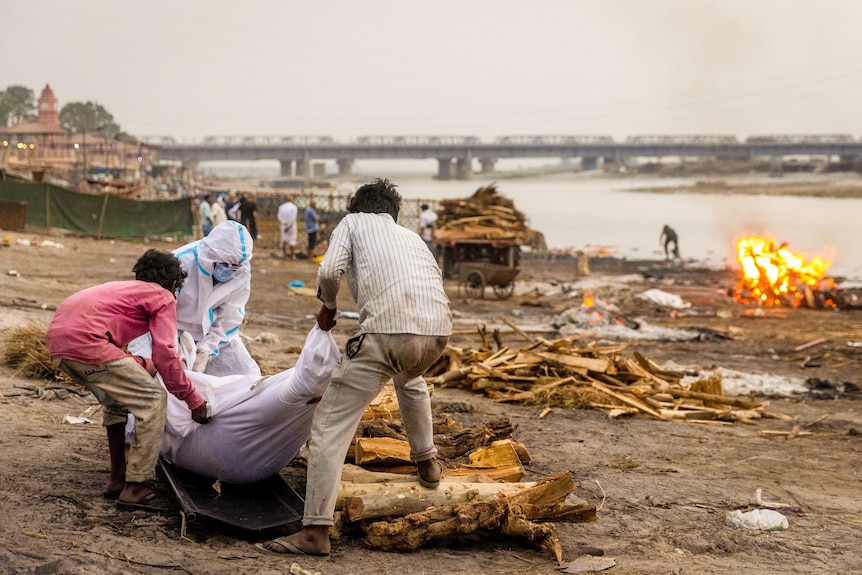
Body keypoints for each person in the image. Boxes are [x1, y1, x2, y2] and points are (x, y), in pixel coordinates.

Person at [259, 177, 452, 557]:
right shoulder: (413, 237)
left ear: (357, 208)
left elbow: (330, 271)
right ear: (394, 214)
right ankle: (427, 461)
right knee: (410, 378)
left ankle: (314, 531)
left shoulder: (352, 223)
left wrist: (327, 307)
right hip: (437, 333)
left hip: (387, 332)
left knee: (330, 425)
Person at [46, 249, 211, 512]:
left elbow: (119, 353)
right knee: (153, 400)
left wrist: (142, 365)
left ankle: (118, 479)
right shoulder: (163, 296)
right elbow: (165, 353)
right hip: (87, 343)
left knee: (116, 401)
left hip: (58, 344)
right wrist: (193, 400)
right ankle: (136, 487)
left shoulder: (122, 290)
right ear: (172, 283)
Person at [154, 323, 340, 484]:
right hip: (249, 463)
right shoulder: (285, 398)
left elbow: (228, 319)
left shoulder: (278, 399)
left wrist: (202, 354)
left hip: (230, 455)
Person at [172, 220, 259, 377]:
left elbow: (230, 318)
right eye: (225, 265)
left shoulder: (241, 271)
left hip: (212, 336)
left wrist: (206, 352)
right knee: (176, 379)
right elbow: (162, 313)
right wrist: (176, 352)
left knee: (247, 374)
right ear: (212, 255)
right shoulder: (180, 263)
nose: (229, 270)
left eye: (235, 267)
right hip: (174, 332)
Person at [277, 195, 299, 259]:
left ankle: (285, 255)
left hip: (283, 226)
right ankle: (292, 255)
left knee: (284, 240)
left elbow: (279, 217)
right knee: (292, 240)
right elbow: (293, 218)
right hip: (291, 226)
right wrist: (289, 225)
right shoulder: (294, 207)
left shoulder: (281, 207)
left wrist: (285, 223)